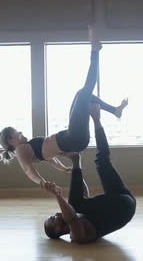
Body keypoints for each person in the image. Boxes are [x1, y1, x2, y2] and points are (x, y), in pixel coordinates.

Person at [0, 26, 128, 189]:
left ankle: (115, 110)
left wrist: (62, 168)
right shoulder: (21, 151)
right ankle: (95, 51)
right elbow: (28, 170)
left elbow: (50, 157)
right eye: (18, 133)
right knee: (84, 92)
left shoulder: (29, 148)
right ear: (11, 139)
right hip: (73, 138)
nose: (22, 133)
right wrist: (42, 182)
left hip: (73, 138)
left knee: (83, 95)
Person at [42, 103, 136, 244]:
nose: (55, 214)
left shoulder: (80, 217)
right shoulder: (77, 236)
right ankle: (76, 160)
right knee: (74, 204)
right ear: (57, 231)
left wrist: (76, 174)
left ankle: (96, 119)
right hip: (123, 207)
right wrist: (57, 195)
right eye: (53, 219)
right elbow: (72, 218)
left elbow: (83, 195)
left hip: (122, 198)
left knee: (102, 161)